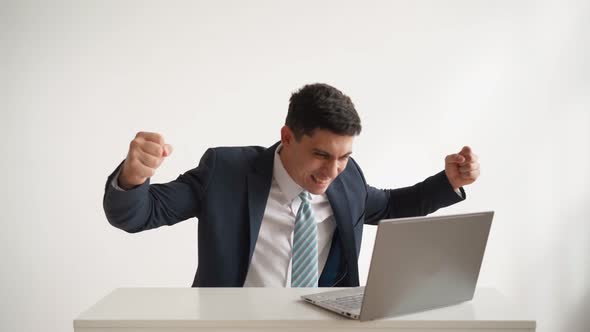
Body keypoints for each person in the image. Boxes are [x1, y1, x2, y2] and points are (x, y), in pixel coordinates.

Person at [103, 83, 480, 288]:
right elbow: (141, 214)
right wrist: (134, 178)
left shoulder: (348, 179)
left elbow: (392, 206)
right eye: (320, 154)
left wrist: (448, 182)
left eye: (344, 156)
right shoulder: (226, 172)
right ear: (287, 136)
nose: (333, 170)